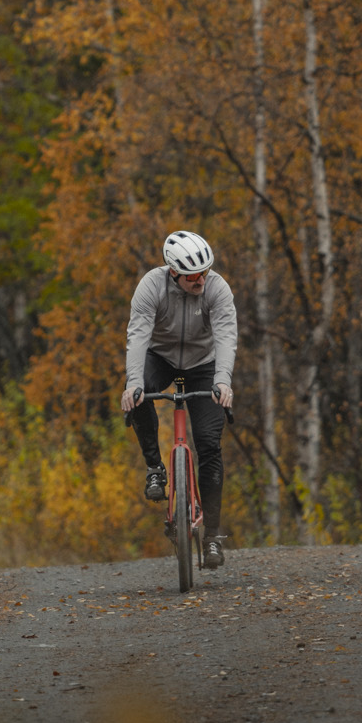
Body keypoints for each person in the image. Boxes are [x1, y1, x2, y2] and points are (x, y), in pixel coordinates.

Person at [120, 230, 237, 568]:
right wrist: (133, 382)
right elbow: (138, 333)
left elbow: (227, 335)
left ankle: (213, 536)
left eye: (205, 271)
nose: (200, 279)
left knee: (209, 444)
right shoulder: (151, 286)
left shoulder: (216, 287)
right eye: (192, 275)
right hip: (161, 357)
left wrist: (222, 381)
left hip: (205, 364)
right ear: (173, 272)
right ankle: (155, 468)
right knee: (139, 394)